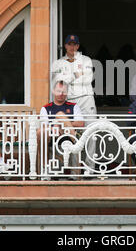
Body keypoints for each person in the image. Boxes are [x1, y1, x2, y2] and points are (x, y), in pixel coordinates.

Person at [51, 34, 96, 171]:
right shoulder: (58, 63)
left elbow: (88, 79)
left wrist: (68, 78)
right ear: (65, 46)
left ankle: (90, 168)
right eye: (69, 44)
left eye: (75, 44)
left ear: (78, 45)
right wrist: (76, 74)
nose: (72, 47)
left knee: (91, 133)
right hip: (69, 101)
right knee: (72, 134)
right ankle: (74, 170)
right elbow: (58, 83)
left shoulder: (86, 60)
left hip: (86, 98)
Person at [37, 80, 85, 177]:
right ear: (53, 91)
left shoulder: (73, 106)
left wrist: (62, 124)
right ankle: (45, 169)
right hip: (52, 136)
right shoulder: (46, 108)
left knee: (60, 115)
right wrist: (55, 126)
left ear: (67, 92)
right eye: (58, 91)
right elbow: (44, 126)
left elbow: (80, 123)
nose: (61, 94)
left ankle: (74, 173)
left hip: (68, 136)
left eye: (64, 91)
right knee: (41, 132)